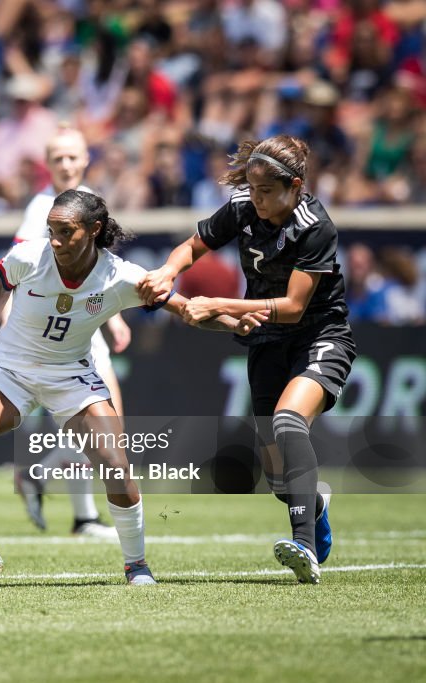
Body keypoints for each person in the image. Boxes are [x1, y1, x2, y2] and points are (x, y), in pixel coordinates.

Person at [0, 189, 265, 585]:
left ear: (94, 229)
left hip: (71, 377)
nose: (56, 241)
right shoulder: (27, 256)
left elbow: (186, 310)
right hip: (9, 369)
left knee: (116, 466)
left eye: (66, 232)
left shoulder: (121, 276)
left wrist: (234, 323)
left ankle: (137, 565)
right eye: (52, 231)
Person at [138, 134, 356, 585]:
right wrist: (167, 272)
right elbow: (192, 247)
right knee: (278, 478)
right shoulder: (242, 207)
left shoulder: (315, 227)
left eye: (266, 191)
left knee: (289, 422)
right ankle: (313, 503)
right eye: (252, 189)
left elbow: (293, 307)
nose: (256, 199)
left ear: (295, 187)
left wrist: (218, 305)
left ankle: (304, 546)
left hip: (319, 336)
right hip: (266, 341)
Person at [11, 126, 128, 539]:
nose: (65, 164)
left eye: (72, 156)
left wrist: (114, 317)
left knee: (99, 427)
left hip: (85, 323)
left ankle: (80, 514)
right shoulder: (42, 208)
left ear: (86, 159)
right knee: (103, 426)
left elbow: (101, 269)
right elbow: (17, 266)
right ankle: (48, 482)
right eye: (57, 157)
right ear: (47, 163)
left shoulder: (90, 200)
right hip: (57, 328)